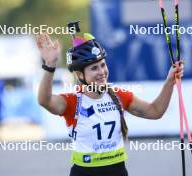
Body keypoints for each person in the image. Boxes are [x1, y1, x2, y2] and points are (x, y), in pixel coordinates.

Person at [36, 32, 183, 176]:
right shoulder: (72, 100)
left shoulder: (119, 95)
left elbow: (155, 111)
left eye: (102, 65)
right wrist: (50, 65)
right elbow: (45, 100)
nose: (101, 72)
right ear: (80, 75)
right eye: (94, 68)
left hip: (117, 172)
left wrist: (170, 82)